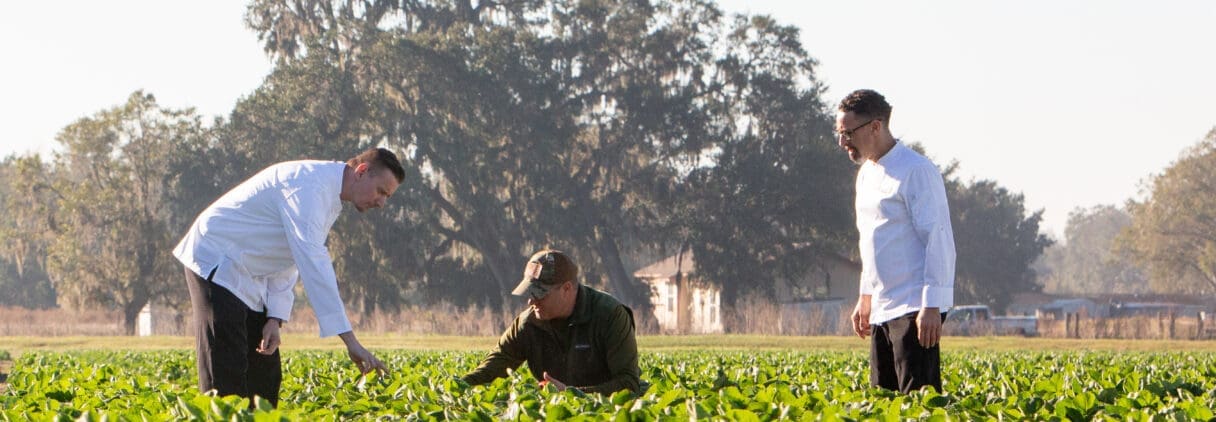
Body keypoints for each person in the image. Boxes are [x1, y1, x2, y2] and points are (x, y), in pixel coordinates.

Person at [174, 147, 405, 406]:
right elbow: (312, 262)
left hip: (252, 274)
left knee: (264, 374)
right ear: (362, 172)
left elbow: (288, 254)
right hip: (216, 259)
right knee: (226, 371)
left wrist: (274, 316)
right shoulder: (309, 187)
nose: (382, 202)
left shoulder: (329, 197)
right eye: (381, 191)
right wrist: (350, 341)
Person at [836, 89, 955, 393]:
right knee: (883, 399)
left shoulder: (916, 171)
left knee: (919, 402)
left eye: (848, 133)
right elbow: (872, 239)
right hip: (882, 307)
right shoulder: (865, 175)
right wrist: (866, 296)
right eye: (839, 133)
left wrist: (932, 305)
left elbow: (938, 239)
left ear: (875, 126)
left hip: (914, 307)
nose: (843, 142)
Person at [461, 249, 642, 394]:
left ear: (567, 289)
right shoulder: (527, 324)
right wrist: (451, 389)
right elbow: (490, 370)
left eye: (540, 294)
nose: (531, 302)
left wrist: (572, 395)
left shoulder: (610, 315)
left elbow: (629, 383)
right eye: (530, 293)